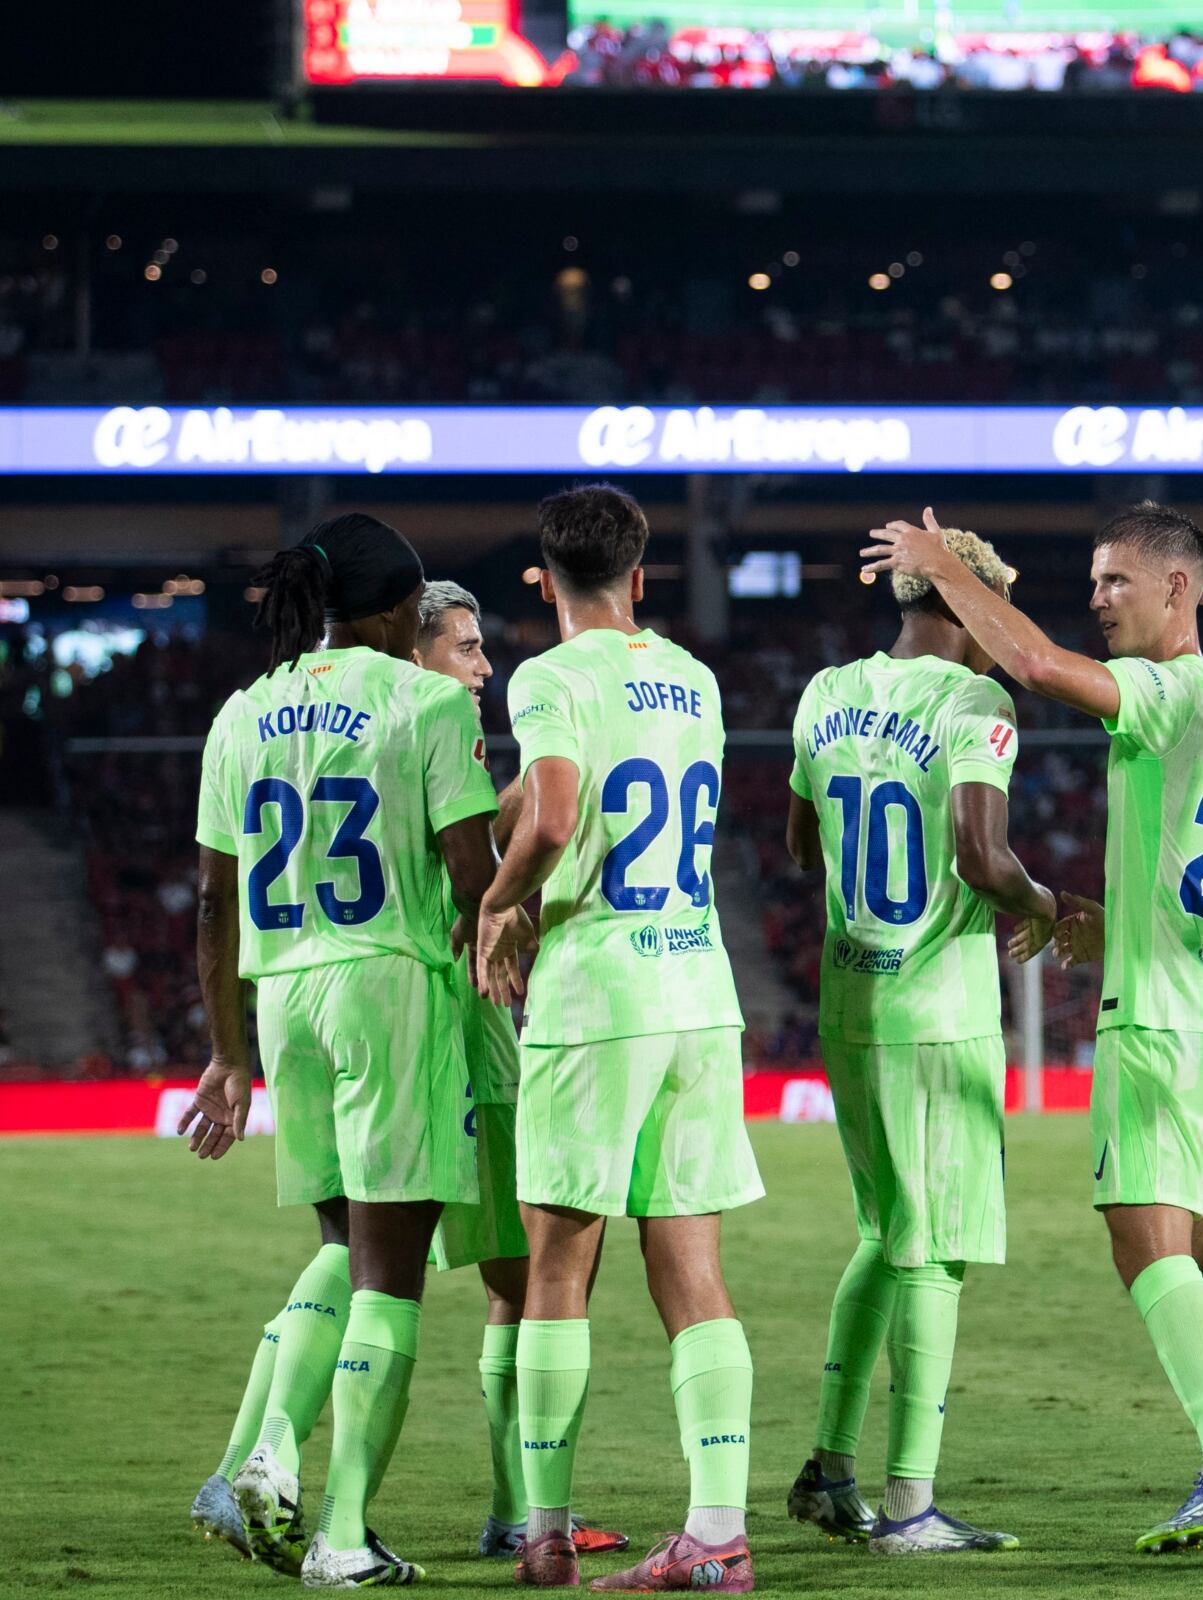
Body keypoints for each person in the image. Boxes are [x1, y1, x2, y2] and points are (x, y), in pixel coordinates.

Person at [863, 502, 1203, 1555]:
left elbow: (1039, 668)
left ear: (1178, 586)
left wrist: (945, 571)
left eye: (1114, 582)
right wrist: (1121, 917)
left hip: (1165, 1026)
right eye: (1093, 582)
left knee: (1145, 1247)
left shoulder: (1163, 685)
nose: (1095, 599)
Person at [182, 514, 512, 1586]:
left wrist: (228, 1055)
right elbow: (472, 871)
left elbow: (209, 898)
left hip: (285, 1001)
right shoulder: (421, 701)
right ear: (388, 615)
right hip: (389, 985)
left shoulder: (242, 711)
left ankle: (258, 1460)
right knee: (392, 1272)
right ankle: (337, 1528)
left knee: (340, 1243)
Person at [475, 485, 763, 1591]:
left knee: (556, 1266)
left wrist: (502, 901)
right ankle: (716, 1530)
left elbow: (555, 816)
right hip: (698, 986)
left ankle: (544, 1528)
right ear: (642, 579)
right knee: (692, 1269)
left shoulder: (549, 679)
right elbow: (570, 793)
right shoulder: (692, 676)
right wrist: (519, 818)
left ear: (542, 581)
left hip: (598, 1001)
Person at [785, 524, 1054, 1555]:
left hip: (850, 996)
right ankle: (911, 1506)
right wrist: (1045, 901)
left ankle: (831, 1465)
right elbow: (984, 857)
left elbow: (803, 844)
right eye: (995, 608)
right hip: (936, 1011)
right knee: (934, 1251)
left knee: (884, 1235)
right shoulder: (975, 701)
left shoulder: (822, 694)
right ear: (963, 601)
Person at [413, 580, 630, 1563]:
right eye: (465, 649)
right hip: (484, 1037)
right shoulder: (429, 736)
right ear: (415, 650)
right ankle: (523, 1508)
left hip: (414, 1027)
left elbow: (501, 829)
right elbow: (489, 862)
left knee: (509, 1272)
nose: (482, 668)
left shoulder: (393, 737)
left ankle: (519, 1499)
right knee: (542, 1269)